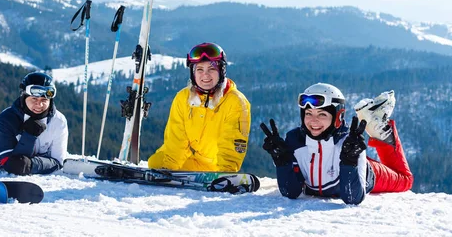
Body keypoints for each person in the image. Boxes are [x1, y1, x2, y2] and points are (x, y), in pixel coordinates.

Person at [261, 83, 413, 205]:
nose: (314, 120)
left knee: (405, 180)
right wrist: (282, 161)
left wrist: (350, 162)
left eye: (322, 114)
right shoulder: (295, 141)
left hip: (364, 173)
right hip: (330, 177)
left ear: (337, 117)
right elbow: (291, 192)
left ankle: (381, 129)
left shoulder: (349, 144)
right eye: (308, 114)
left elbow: (353, 198)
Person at [147, 42, 252, 172]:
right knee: (155, 163)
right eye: (200, 69)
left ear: (221, 71)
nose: (205, 75)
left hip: (216, 165)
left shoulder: (236, 102)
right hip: (192, 160)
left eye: (212, 69)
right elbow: (176, 140)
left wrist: (225, 172)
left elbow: (231, 143)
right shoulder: (183, 98)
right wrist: (167, 169)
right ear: (193, 73)